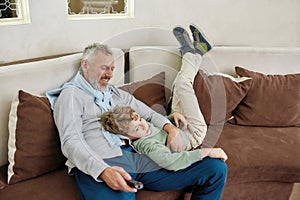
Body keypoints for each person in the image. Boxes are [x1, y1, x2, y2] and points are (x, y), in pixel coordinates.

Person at [46, 23, 228, 200]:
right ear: (85, 65)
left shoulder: (116, 93)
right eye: (103, 68)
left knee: (215, 168)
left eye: (111, 68)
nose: (109, 74)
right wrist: (102, 170)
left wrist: (170, 128)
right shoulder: (70, 96)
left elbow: (149, 114)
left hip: (142, 156)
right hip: (104, 161)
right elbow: (71, 141)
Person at [100, 105, 228, 171]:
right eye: (137, 129)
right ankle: (191, 58)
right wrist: (207, 152)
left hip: (182, 125)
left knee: (182, 88)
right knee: (184, 86)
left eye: (140, 119)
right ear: (127, 137)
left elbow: (155, 127)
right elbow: (172, 162)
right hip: (193, 136)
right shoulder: (147, 145)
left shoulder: (145, 128)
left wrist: (172, 117)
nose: (144, 125)